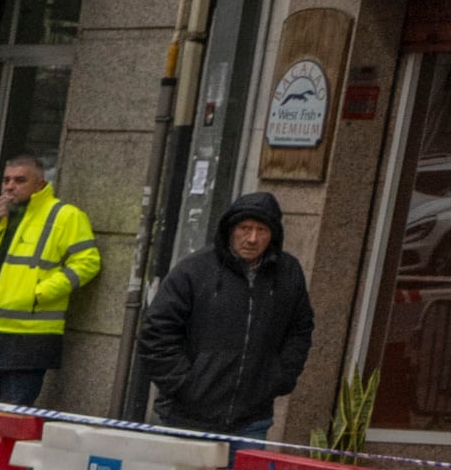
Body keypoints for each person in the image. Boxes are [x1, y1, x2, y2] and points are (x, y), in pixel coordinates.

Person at [135, 187, 318, 442]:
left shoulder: (287, 273)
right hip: (187, 418)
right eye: (245, 228)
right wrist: (185, 384)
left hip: (251, 421)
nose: (252, 238)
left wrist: (280, 376)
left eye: (262, 231)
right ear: (230, 230)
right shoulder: (194, 270)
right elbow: (155, 334)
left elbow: (300, 329)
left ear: (273, 236)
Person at [0, 149, 104, 413]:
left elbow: (88, 262)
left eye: (20, 180)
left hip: (30, 335)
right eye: (7, 180)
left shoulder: (64, 216)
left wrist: (40, 293)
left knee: (13, 415)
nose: (11, 186)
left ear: (40, 184)